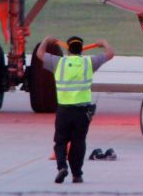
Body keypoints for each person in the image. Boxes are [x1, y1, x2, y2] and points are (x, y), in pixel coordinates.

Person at [36, 35, 115, 184]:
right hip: (82, 112)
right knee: (79, 144)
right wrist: (103, 42)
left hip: (64, 111)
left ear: (68, 50)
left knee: (60, 142)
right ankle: (77, 174)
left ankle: (62, 167)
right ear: (81, 49)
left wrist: (46, 40)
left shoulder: (59, 62)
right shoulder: (88, 63)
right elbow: (110, 54)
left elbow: (39, 54)